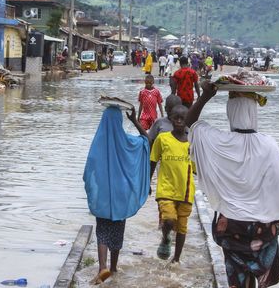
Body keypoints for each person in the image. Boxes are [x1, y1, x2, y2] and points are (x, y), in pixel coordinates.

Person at [186, 83, 279, 288]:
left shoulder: (217, 141)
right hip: (262, 228)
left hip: (231, 226)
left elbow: (190, 122)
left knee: (238, 282)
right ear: (254, 112)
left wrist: (206, 96)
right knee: (260, 278)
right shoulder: (268, 144)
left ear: (230, 112)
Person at [83, 106, 150, 285]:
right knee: (117, 230)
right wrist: (135, 121)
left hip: (104, 195)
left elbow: (89, 170)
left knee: (102, 231)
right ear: (120, 122)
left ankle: (101, 267)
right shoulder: (127, 142)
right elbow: (146, 140)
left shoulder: (99, 141)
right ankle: (113, 268)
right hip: (122, 194)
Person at [150, 105, 195, 263]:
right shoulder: (163, 139)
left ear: (187, 120)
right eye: (176, 117)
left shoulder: (192, 143)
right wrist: (147, 182)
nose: (179, 120)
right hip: (166, 189)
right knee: (169, 220)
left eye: (182, 118)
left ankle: (176, 259)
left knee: (182, 227)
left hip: (185, 191)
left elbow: (197, 169)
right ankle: (165, 236)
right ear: (170, 119)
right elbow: (153, 161)